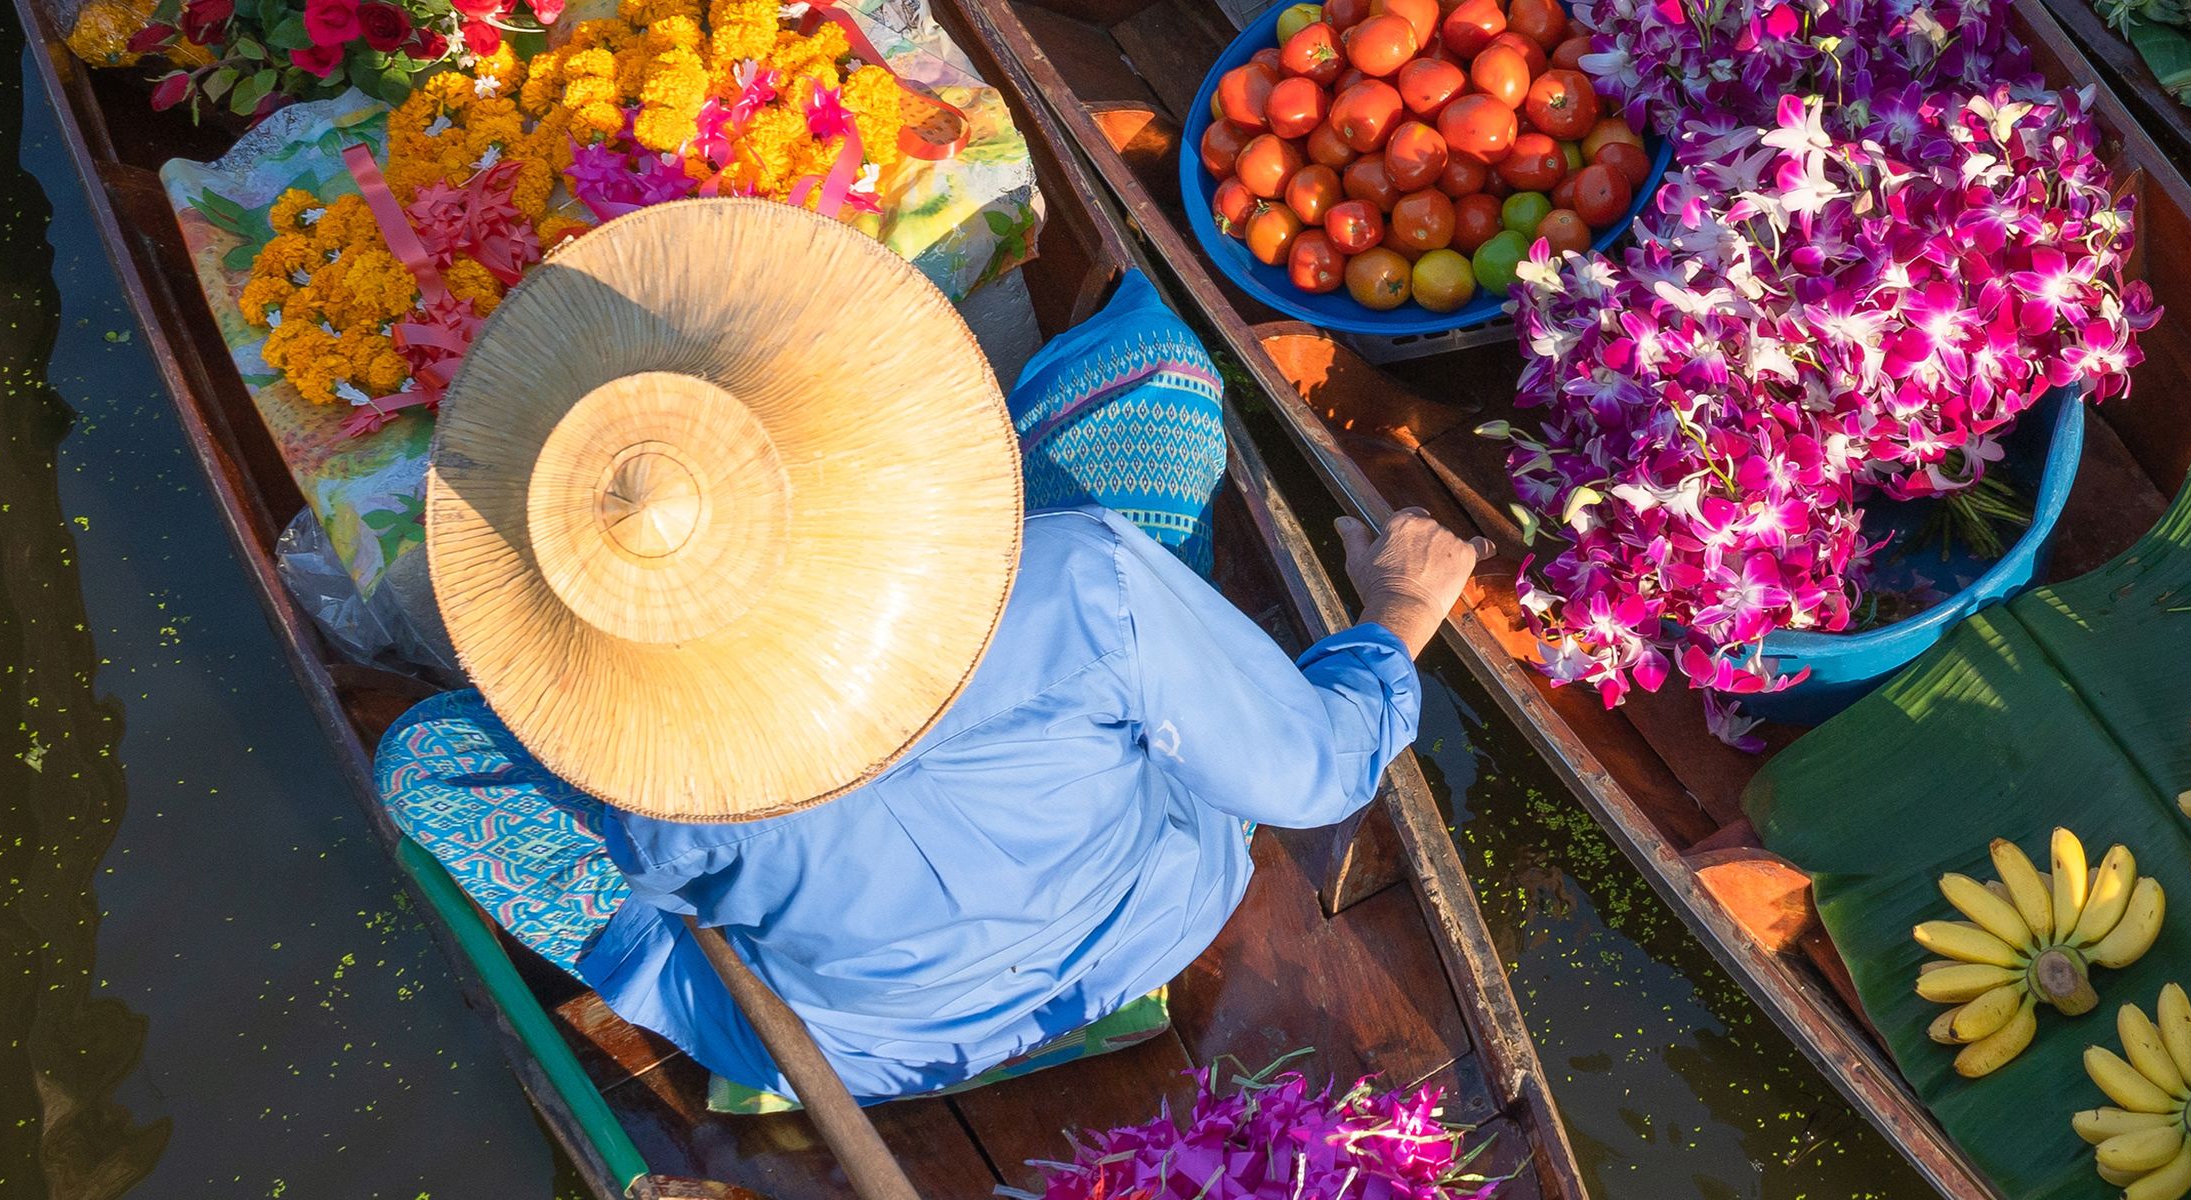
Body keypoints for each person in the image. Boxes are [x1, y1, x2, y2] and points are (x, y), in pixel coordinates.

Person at [370, 199, 1485, 1106]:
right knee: (1154, 362)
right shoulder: (1076, 573)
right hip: (1160, 909)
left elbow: (669, 891)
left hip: (847, 1054)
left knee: (424, 761)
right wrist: (1395, 613)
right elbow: (1317, 771)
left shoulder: (627, 740)